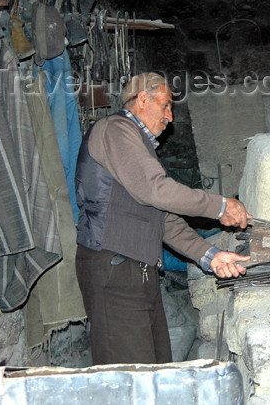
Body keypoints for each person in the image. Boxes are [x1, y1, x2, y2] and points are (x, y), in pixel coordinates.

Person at [75, 72, 252, 365]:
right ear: (143, 99)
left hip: (136, 273)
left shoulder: (137, 146)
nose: (170, 117)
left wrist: (209, 256)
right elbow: (157, 191)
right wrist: (220, 207)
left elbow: (162, 218)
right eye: (166, 105)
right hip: (113, 271)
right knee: (131, 376)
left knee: (156, 367)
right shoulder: (115, 130)